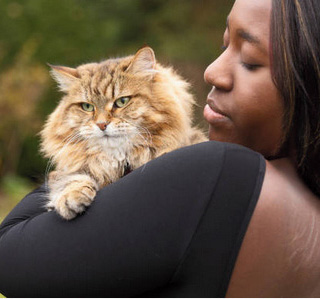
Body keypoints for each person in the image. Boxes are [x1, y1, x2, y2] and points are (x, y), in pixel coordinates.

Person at [1, 0, 320, 297]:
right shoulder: (303, 198)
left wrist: (83, 167)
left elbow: (8, 257)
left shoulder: (214, 173)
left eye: (249, 59)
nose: (211, 71)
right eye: (224, 45)